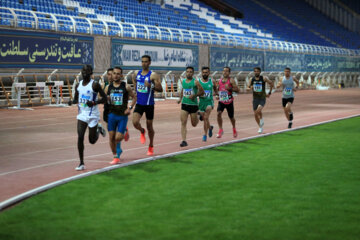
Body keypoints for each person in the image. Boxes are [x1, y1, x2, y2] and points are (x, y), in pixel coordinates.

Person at [68, 64, 107, 171]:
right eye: (83, 70)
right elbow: (76, 99)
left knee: (92, 141)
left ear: (91, 73)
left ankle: (98, 129)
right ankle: (81, 163)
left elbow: (105, 99)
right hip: (82, 115)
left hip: (93, 115)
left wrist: (94, 102)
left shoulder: (95, 85)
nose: (84, 72)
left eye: (87, 71)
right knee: (80, 136)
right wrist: (71, 102)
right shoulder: (78, 85)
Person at [104, 66, 137, 165]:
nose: (115, 75)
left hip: (122, 116)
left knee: (117, 138)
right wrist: (107, 99)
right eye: (114, 73)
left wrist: (130, 108)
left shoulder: (125, 86)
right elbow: (103, 98)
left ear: (121, 75)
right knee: (111, 138)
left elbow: (134, 97)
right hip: (112, 115)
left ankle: (124, 133)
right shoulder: (108, 87)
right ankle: (115, 156)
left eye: (118, 74)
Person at [132, 55, 163, 156]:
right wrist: (135, 92)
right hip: (140, 103)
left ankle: (151, 145)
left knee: (150, 127)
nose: (144, 63)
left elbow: (160, 89)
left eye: (146, 62)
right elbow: (135, 84)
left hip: (149, 104)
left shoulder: (153, 75)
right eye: (142, 62)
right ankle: (142, 131)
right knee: (135, 122)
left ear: (149, 63)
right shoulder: (136, 74)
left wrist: (150, 85)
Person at [177, 66, 204, 147]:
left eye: (190, 72)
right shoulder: (183, 81)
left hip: (193, 105)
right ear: (186, 72)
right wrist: (180, 99)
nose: (188, 73)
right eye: (187, 71)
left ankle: (199, 116)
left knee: (194, 124)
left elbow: (202, 92)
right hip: (184, 104)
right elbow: (183, 90)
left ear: (193, 73)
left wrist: (195, 95)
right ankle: (184, 141)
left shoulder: (195, 82)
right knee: (183, 122)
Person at [247, 67, 274, 134]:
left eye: (257, 71)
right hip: (255, 99)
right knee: (255, 115)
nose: (256, 72)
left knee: (258, 111)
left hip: (262, 98)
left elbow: (271, 84)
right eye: (255, 71)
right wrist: (251, 87)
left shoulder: (263, 78)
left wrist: (269, 93)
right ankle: (260, 127)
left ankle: (261, 119)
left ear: (260, 72)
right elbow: (247, 88)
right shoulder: (251, 79)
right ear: (254, 72)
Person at [216, 66, 239, 138]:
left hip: (229, 102)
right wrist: (217, 95)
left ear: (229, 73)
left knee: (231, 117)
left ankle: (234, 128)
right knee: (218, 113)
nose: (225, 72)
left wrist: (230, 88)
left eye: (226, 71)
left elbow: (238, 90)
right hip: (222, 101)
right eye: (224, 71)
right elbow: (218, 90)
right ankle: (220, 129)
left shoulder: (231, 80)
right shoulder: (219, 81)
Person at [198, 67, 217, 142]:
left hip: (209, 102)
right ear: (201, 73)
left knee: (205, 117)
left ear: (209, 73)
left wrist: (217, 94)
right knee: (205, 118)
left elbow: (215, 88)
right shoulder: (198, 82)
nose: (205, 74)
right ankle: (210, 127)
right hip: (201, 103)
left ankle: (205, 135)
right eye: (203, 72)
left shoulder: (211, 81)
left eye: (206, 72)